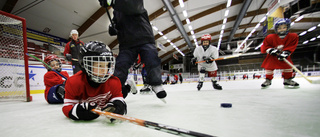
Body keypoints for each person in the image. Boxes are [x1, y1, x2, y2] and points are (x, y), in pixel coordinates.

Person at [99, 0, 167, 99]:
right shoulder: (116, 12)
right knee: (120, 65)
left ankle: (156, 84)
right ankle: (117, 88)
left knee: (151, 57)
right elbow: (116, 24)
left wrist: (113, 2)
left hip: (144, 38)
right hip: (127, 44)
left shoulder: (135, 2)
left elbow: (132, 7)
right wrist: (112, 28)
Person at [62, 41, 126, 121]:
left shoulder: (114, 81)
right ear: (84, 64)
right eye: (99, 65)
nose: (104, 70)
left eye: (106, 65)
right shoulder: (74, 82)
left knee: (124, 91)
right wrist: (78, 112)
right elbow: (67, 106)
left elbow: (117, 97)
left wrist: (117, 105)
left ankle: (127, 88)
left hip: (105, 97)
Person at [260, 18, 299, 89]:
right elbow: (264, 46)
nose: (282, 29)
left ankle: (288, 80)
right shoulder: (270, 37)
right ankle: (268, 80)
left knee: (287, 66)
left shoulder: (293, 36)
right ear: (276, 29)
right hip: (272, 56)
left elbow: (292, 45)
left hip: (284, 56)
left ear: (288, 27)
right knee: (269, 67)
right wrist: (270, 50)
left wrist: (286, 52)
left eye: (284, 27)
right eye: (280, 28)